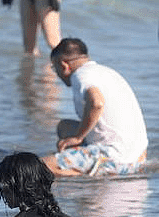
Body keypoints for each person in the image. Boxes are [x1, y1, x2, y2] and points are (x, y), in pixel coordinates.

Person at [42, 38, 148, 177]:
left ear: (64, 65)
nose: (56, 73)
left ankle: (89, 173)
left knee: (38, 167)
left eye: (54, 68)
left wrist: (78, 137)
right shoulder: (105, 72)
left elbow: (97, 103)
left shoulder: (81, 76)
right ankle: (82, 165)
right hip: (139, 158)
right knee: (64, 127)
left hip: (116, 158)